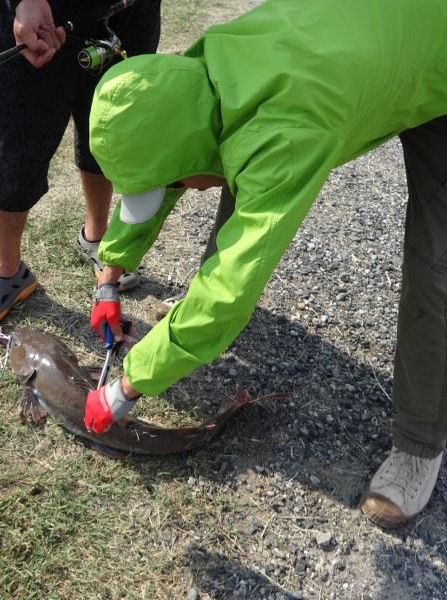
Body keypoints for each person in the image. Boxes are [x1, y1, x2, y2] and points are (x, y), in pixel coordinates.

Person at [83, 0, 447, 529]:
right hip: (368, 39)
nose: (181, 191)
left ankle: (421, 444)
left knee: (437, 264)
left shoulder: (286, 131)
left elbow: (231, 290)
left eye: (179, 183)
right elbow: (172, 162)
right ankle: (190, 335)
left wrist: (125, 387)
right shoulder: (192, 74)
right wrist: (109, 275)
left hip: (436, 50)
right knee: (229, 159)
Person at [0, 0, 162, 330]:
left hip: (131, 13)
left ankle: (97, 237)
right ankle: (8, 271)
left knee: (110, 129)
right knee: (18, 140)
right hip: (41, 14)